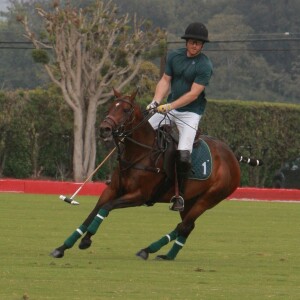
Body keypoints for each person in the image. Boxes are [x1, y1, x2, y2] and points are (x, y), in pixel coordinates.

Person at [147, 22, 213, 211]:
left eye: (199, 44)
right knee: (142, 133)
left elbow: (193, 94)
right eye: (193, 42)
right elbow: (165, 80)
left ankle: (180, 196)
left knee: (184, 154)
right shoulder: (174, 56)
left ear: (202, 46)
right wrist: (156, 101)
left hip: (191, 113)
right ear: (186, 42)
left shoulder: (205, 65)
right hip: (169, 108)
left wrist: (170, 105)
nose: (195, 46)